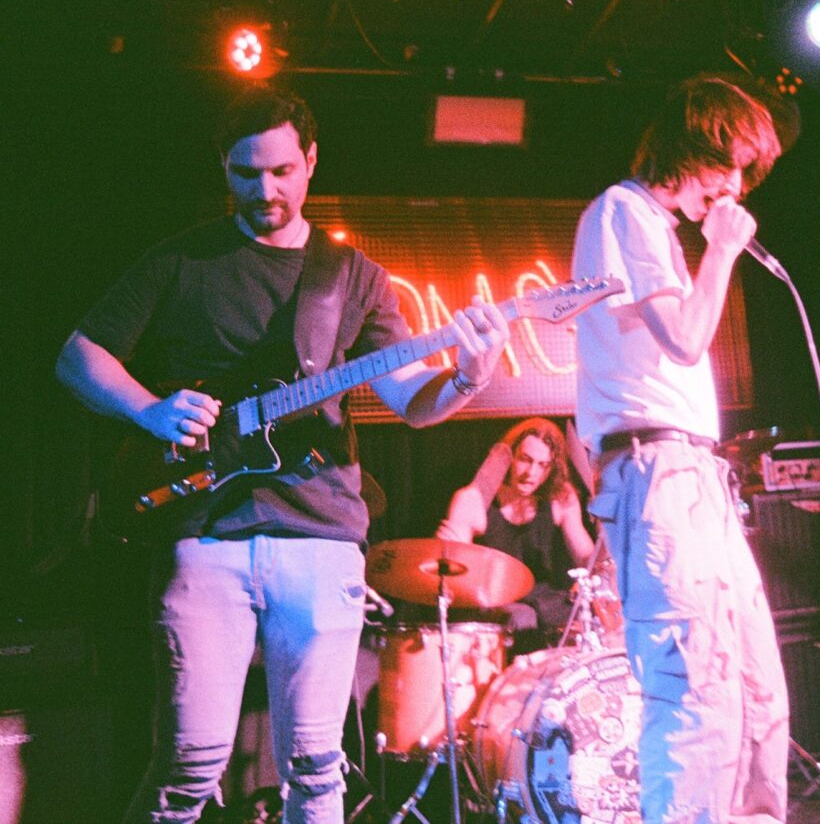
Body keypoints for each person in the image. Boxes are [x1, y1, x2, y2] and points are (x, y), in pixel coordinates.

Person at [54, 86, 510, 824]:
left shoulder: (351, 275)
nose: (264, 190)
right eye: (245, 174)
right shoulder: (183, 260)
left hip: (322, 539)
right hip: (204, 534)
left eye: (281, 172)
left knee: (315, 768)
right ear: (222, 168)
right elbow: (78, 357)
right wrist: (150, 409)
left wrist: (467, 374)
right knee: (187, 766)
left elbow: (409, 400)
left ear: (311, 162)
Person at [571, 74, 790, 822]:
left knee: (758, 696)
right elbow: (689, 337)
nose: (734, 188)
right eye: (725, 166)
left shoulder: (656, 230)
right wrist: (722, 250)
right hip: (656, 470)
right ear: (686, 146)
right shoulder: (624, 212)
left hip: (694, 473)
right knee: (695, 697)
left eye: (745, 175)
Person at [436, 417, 595, 651]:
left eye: (543, 465)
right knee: (520, 616)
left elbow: (587, 559)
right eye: (525, 460)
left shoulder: (561, 498)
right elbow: (452, 574)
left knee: (589, 615)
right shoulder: (474, 499)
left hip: (546, 605)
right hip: (494, 604)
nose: (532, 472)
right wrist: (450, 552)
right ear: (509, 456)